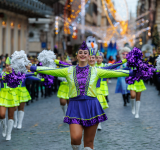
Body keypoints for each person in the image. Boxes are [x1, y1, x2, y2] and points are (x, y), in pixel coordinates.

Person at [27, 41, 135, 150]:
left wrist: (133, 72)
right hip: (75, 106)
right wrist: (32, 68)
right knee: (75, 138)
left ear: (88, 56)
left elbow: (115, 72)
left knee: (88, 143)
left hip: (92, 106)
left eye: (85, 53)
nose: (83, 54)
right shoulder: (68, 70)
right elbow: (52, 70)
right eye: (80, 53)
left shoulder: (96, 71)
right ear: (77, 55)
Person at [0, 57, 19, 140]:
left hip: (12, 95)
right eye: (7, 65)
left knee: (10, 115)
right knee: (2, 114)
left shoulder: (16, 75)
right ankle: (4, 128)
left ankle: (9, 133)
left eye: (10, 65)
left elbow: (27, 75)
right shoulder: (2, 74)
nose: (8, 67)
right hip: (3, 95)